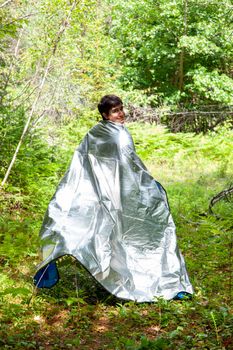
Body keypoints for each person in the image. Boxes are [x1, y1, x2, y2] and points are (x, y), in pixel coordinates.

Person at [34, 94, 193, 302]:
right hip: (105, 193)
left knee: (126, 232)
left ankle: (141, 277)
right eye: (115, 111)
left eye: (121, 108)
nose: (121, 113)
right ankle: (121, 277)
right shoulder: (105, 134)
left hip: (122, 193)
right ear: (105, 115)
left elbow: (130, 166)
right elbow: (84, 162)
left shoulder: (113, 132)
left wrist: (147, 185)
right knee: (113, 231)